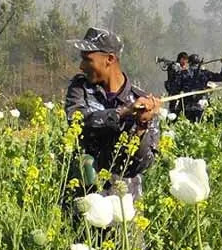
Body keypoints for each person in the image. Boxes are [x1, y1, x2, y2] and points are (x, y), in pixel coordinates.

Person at [64, 27, 161, 199]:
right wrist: (122, 112)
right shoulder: (80, 88)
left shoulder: (143, 101)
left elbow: (142, 165)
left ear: (109, 59)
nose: (81, 66)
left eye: (87, 59)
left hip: (123, 206)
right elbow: (77, 122)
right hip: (86, 198)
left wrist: (141, 126)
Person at [178, 54, 222, 122]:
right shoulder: (205, 73)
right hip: (202, 105)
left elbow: (176, 88)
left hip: (187, 106)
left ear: (189, 63)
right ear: (198, 63)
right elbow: (221, 77)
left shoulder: (183, 73)